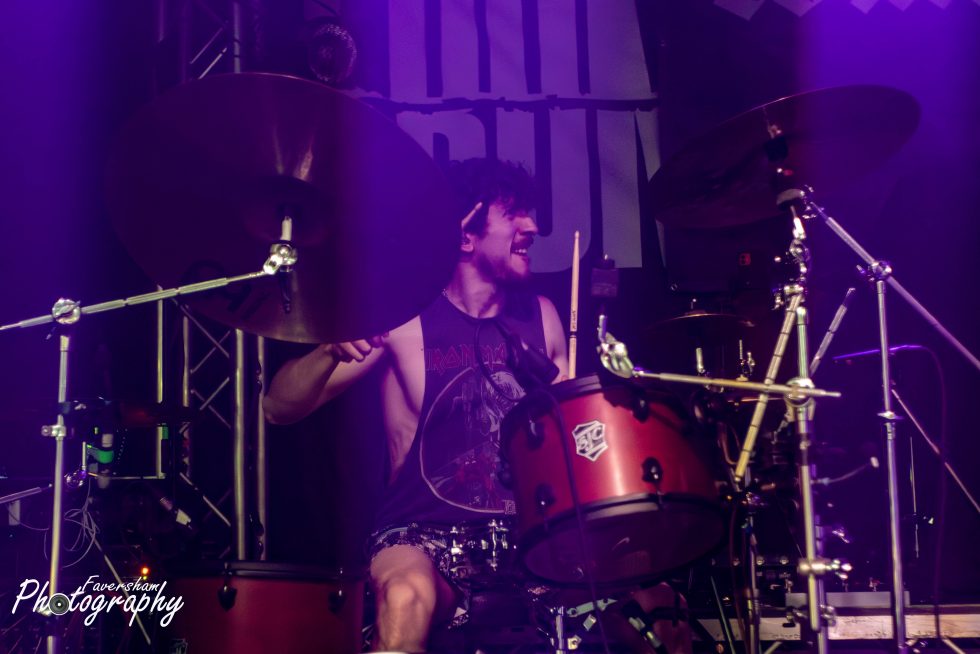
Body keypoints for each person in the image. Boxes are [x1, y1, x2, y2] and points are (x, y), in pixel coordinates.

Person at [263, 158, 569, 652]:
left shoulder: (543, 316)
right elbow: (278, 407)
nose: (531, 227)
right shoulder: (404, 319)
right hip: (421, 535)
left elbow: (572, 438)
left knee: (653, 604)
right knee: (406, 597)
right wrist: (326, 352)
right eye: (513, 214)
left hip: (526, 536)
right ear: (465, 237)